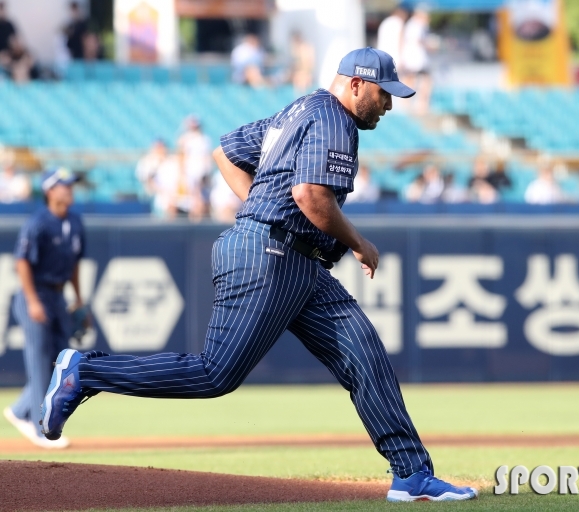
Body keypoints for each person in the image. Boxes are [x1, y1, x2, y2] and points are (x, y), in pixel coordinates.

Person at [39, 47, 478, 503]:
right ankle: (85, 371)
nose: (389, 103)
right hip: (270, 254)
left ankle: (412, 474)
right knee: (215, 375)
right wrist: (357, 242)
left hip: (295, 260)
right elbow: (309, 195)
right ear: (354, 84)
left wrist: (258, 209)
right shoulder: (334, 119)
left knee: (363, 351)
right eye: (383, 92)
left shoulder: (300, 110)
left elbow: (225, 151)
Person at [3, 168, 85, 449]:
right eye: (64, 185)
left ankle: (18, 410)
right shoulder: (38, 222)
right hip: (34, 294)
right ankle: (41, 429)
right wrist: (33, 301)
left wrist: (79, 298)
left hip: (58, 296)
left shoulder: (74, 221)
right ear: (50, 190)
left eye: (71, 184)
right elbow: (22, 262)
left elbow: (75, 264)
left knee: (60, 364)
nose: (70, 189)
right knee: (40, 361)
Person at [401, 6, 432, 114]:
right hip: (415, 59)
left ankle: (411, 103)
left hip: (414, 59)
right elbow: (419, 41)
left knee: (415, 80)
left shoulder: (411, 25)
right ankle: (418, 104)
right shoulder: (416, 25)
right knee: (417, 80)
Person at [377, 6, 408, 72]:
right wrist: (402, 58)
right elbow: (400, 41)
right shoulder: (398, 22)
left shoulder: (385, 22)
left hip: (382, 55)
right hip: (395, 56)